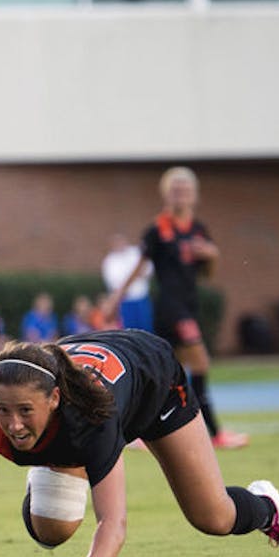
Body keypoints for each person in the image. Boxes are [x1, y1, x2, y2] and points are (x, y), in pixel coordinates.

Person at [0, 329, 279, 557]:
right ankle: (55, 456)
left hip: (155, 383)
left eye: (24, 410)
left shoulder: (90, 417)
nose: (13, 423)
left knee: (213, 517)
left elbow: (113, 521)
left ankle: (268, 508)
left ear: (54, 398)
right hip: (85, 405)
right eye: (5, 409)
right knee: (50, 529)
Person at [110, 166, 248, 449]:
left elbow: (207, 274)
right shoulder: (158, 229)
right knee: (200, 363)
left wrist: (212, 254)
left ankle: (137, 432)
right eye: (175, 189)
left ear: (194, 196)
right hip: (172, 308)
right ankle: (214, 433)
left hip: (189, 305)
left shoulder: (198, 230)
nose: (180, 195)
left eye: (185, 190)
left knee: (165, 371)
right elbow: (139, 268)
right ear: (166, 194)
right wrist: (116, 299)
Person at [101, 233, 153, 331]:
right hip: (125, 300)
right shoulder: (110, 261)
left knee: (146, 328)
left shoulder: (136, 253)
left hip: (141, 297)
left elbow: (148, 269)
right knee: (129, 330)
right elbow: (113, 283)